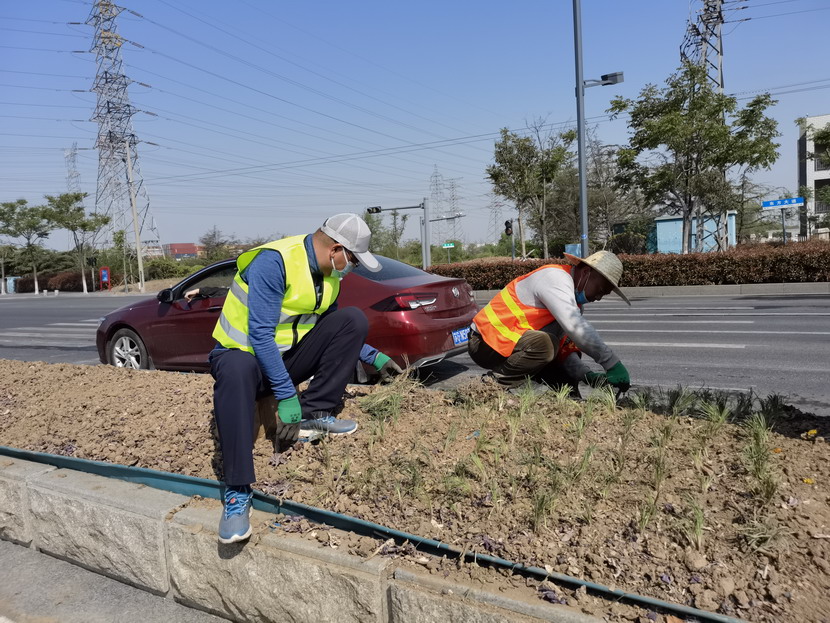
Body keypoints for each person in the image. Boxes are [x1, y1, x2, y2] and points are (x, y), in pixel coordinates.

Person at [209, 213, 403, 543]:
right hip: (242, 358)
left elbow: (330, 327)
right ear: (336, 249)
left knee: (352, 319)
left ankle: (313, 412)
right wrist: (286, 395)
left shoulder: (328, 275)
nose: (352, 267)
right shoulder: (274, 263)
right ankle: (237, 491)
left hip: (282, 360)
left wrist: (374, 356)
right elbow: (260, 335)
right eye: (353, 260)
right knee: (236, 369)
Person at [468, 250, 631, 395]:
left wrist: (587, 375)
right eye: (600, 290)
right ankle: (489, 386)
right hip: (484, 342)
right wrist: (612, 363)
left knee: (566, 379)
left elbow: (563, 349)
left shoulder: (573, 304)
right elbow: (576, 328)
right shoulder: (556, 279)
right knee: (546, 344)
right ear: (586, 272)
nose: (599, 297)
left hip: (508, 344)